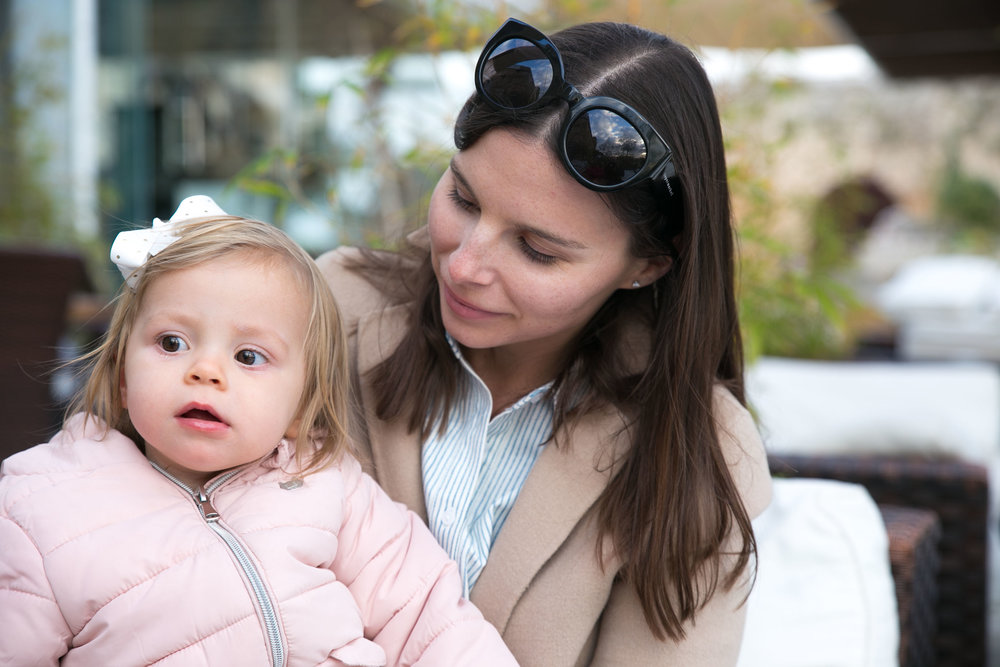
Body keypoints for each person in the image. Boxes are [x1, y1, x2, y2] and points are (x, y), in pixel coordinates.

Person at [317, 17, 773, 666]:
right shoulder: (328, 312)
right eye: (464, 199)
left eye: (537, 250)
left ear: (648, 264)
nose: (467, 264)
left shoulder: (699, 452)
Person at [0, 196, 518, 666]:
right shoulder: (39, 505)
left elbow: (428, 617)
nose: (205, 370)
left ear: (299, 407)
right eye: (172, 343)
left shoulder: (327, 483)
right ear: (121, 376)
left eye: (248, 356)